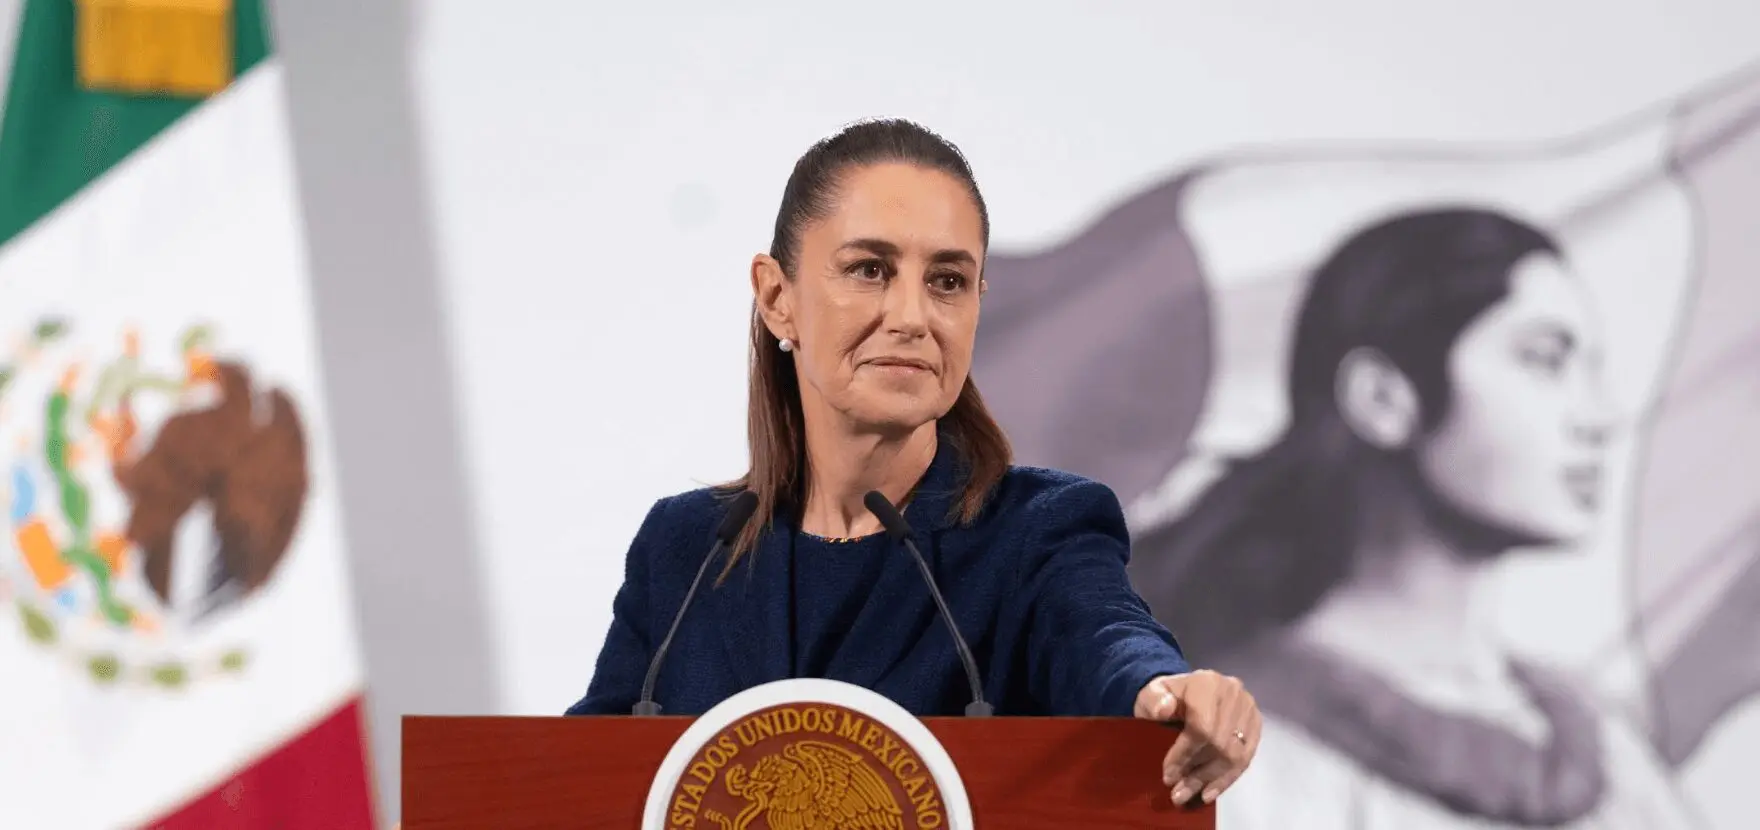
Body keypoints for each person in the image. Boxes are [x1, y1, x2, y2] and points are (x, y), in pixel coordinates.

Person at [567, 118, 1262, 806]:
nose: (912, 315)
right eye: (870, 270)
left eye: (948, 281)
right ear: (779, 298)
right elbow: (568, 784)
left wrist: (1164, 689)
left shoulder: (1037, 531)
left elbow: (1106, 637)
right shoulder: (685, 551)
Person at [1128, 208, 1695, 828]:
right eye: (1544, 360)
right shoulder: (1224, 754)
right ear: (1382, 398)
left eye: (1590, 368)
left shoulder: (1606, 751)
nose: (1602, 416)